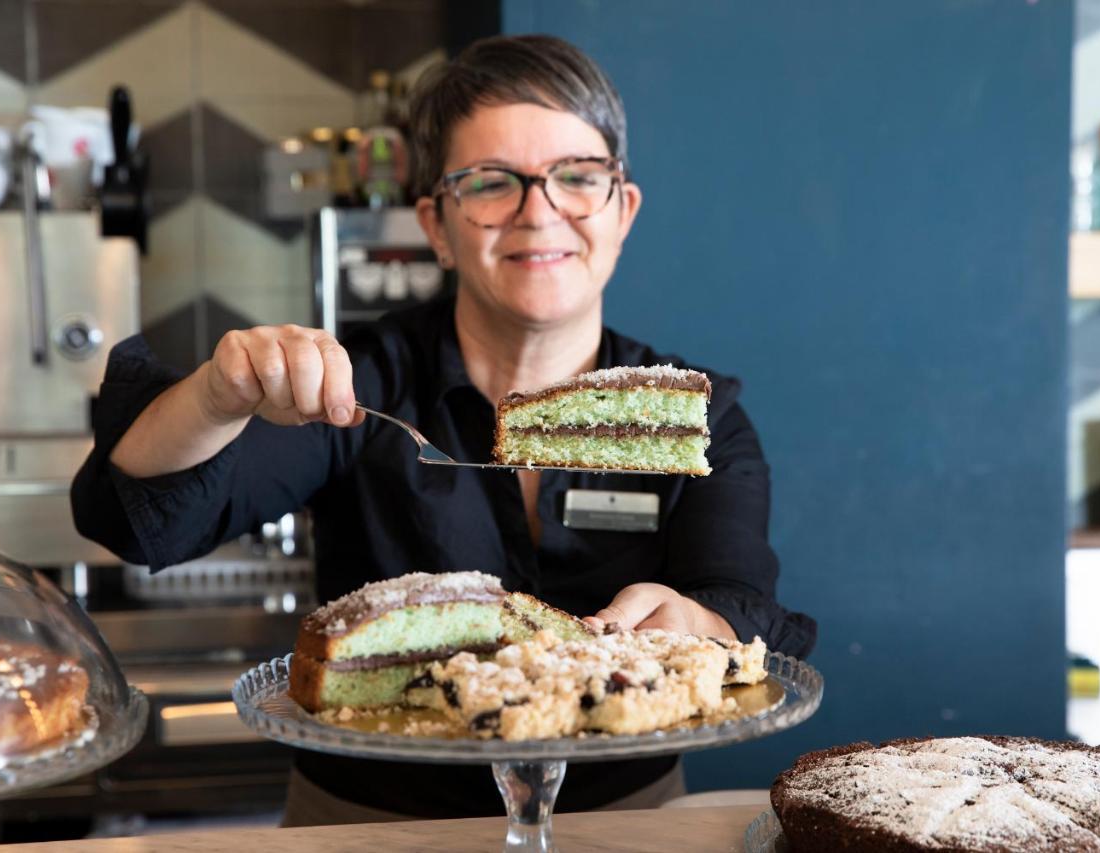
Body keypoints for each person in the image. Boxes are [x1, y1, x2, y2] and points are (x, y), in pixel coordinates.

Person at [71, 34, 816, 824]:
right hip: (370, 828)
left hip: (624, 821)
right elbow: (137, 516)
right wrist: (217, 396)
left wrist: (700, 625)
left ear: (621, 209)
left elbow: (737, 598)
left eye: (577, 176)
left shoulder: (695, 417)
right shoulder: (360, 388)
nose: (540, 211)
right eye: (492, 182)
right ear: (435, 223)